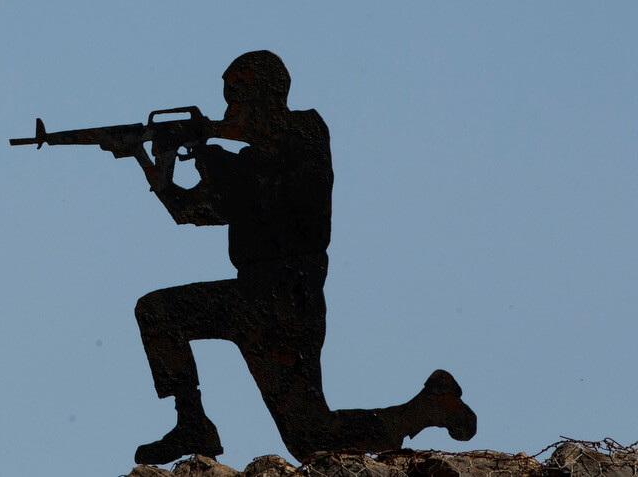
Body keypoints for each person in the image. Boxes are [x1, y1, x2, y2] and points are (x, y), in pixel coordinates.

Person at [128, 51, 476, 465]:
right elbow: (195, 212)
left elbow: (257, 186)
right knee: (161, 313)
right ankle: (191, 423)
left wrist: (203, 147)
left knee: (310, 436)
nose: (228, 110)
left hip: (287, 300)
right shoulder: (249, 158)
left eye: (237, 97)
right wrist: (154, 164)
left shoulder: (305, 133)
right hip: (252, 296)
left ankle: (426, 409)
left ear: (269, 94)